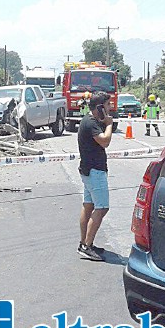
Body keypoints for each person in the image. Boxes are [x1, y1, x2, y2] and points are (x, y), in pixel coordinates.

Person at [77, 91, 113, 261]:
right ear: (99, 107)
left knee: (88, 206)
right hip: (94, 171)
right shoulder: (91, 123)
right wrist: (109, 124)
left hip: (88, 170)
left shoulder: (89, 120)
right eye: (107, 105)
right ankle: (86, 246)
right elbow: (105, 141)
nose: (110, 108)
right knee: (102, 207)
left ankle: (85, 242)